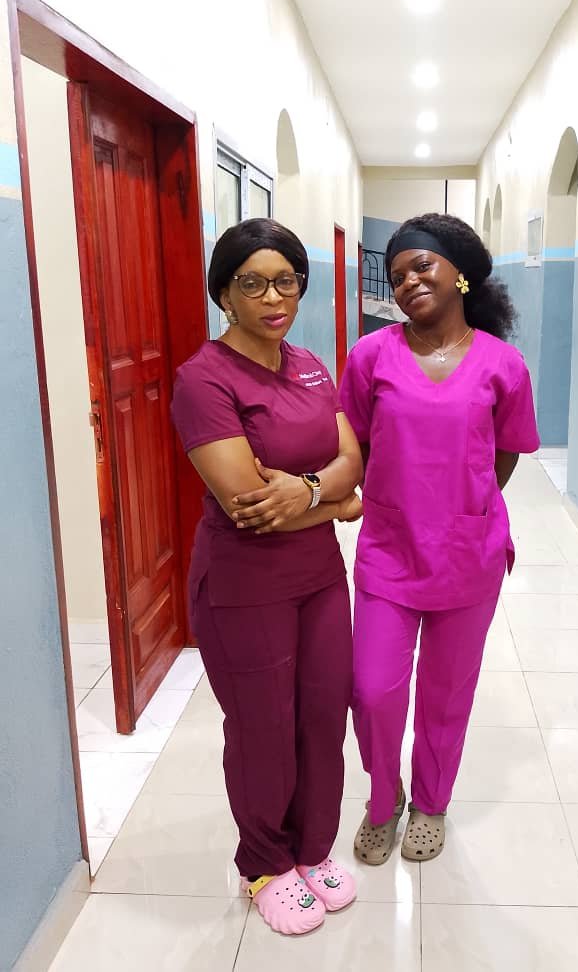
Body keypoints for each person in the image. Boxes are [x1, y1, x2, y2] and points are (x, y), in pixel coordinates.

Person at [171, 218, 363, 935]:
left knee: (323, 715)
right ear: (224, 292)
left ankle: (312, 850)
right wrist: (338, 502)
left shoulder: (310, 364)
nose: (273, 297)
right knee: (264, 728)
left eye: (286, 281)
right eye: (252, 283)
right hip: (244, 586)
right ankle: (264, 864)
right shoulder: (203, 379)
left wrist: (310, 491)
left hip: (320, 580)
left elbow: (352, 458)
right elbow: (249, 507)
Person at [339, 212, 540, 865]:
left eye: (422, 266)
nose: (409, 283)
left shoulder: (503, 364)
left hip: (467, 554)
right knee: (372, 690)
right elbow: (355, 445)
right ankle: (383, 797)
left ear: (459, 274)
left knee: (447, 693)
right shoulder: (370, 357)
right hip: (390, 551)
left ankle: (431, 801)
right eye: (398, 276)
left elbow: (506, 453)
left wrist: (466, 506)